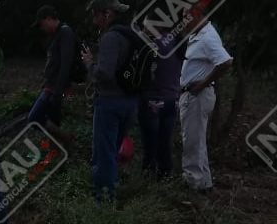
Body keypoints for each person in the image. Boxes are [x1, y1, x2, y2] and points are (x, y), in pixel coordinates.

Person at [82, 0, 138, 204]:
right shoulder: (131, 35)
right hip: (130, 102)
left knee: (104, 153)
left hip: (109, 102)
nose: (94, 20)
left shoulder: (110, 38)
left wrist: (89, 64)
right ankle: (112, 189)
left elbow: (104, 73)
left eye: (95, 15)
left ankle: (104, 202)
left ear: (107, 14)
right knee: (112, 150)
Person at [179, 11, 233, 193]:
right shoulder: (199, 34)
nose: (184, 24)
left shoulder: (208, 37)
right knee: (197, 139)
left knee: (192, 140)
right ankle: (203, 182)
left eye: (186, 19)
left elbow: (225, 62)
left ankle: (192, 183)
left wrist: (202, 84)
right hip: (193, 94)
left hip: (197, 95)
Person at [139, 42, 184, 179]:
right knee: (165, 141)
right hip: (172, 99)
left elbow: (145, 72)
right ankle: (165, 173)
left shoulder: (154, 45)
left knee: (150, 142)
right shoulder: (177, 44)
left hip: (153, 100)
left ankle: (149, 174)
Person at [29, 5, 76, 129]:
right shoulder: (54, 35)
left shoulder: (65, 32)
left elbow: (66, 63)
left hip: (56, 87)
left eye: (42, 24)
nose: (41, 28)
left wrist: (58, 91)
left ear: (49, 18)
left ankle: (65, 139)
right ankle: (57, 144)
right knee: (49, 118)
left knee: (35, 117)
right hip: (50, 85)